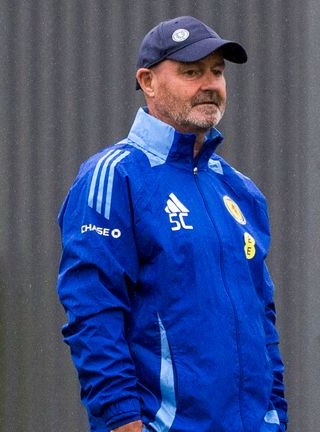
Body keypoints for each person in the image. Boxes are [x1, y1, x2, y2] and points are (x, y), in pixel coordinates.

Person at [57, 16, 287, 432]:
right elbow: (93, 312)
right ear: (147, 82)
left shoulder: (240, 190)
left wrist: (276, 415)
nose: (210, 84)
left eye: (217, 72)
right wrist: (121, 420)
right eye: (191, 72)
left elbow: (262, 318)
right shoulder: (115, 176)